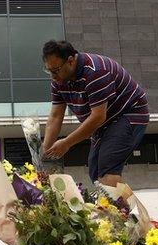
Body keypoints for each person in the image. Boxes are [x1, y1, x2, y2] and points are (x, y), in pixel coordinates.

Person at [42, 40, 149, 187]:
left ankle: (117, 209)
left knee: (106, 168)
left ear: (71, 61)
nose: (53, 76)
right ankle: (125, 208)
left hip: (128, 114)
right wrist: (44, 153)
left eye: (56, 70)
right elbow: (55, 117)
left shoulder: (96, 71)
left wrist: (66, 143)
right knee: (95, 173)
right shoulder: (59, 81)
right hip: (103, 124)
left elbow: (98, 116)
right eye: (49, 70)